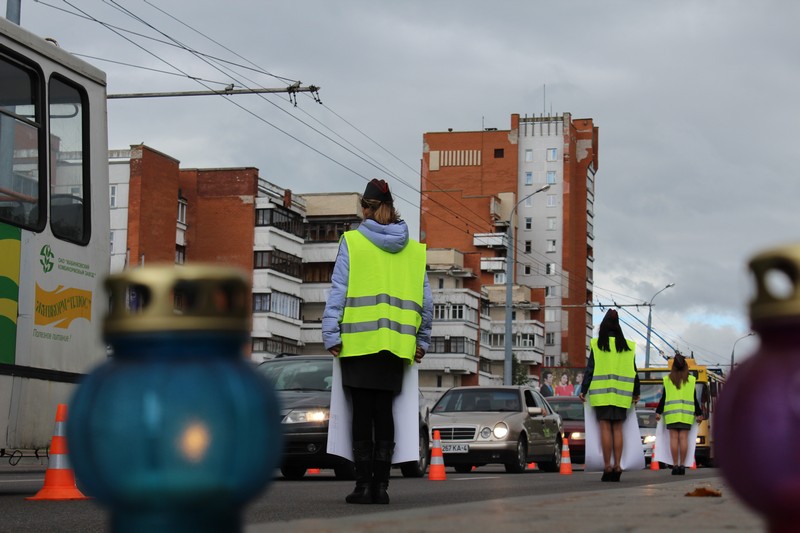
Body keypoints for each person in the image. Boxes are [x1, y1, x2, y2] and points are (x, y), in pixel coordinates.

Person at [322, 178, 432, 505]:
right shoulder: (413, 251)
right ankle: (381, 487)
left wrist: (331, 331)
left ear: (366, 209)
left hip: (357, 342)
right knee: (384, 413)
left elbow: (338, 289)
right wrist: (421, 340)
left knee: (361, 415)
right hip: (396, 347)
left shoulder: (353, 242)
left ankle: (362, 485)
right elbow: (425, 301)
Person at [579, 309, 640, 482]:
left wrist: (583, 390)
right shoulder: (628, 347)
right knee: (618, 429)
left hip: (602, 394)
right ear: (618, 326)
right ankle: (618, 465)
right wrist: (636, 392)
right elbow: (634, 372)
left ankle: (607, 466)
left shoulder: (597, 345)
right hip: (622, 395)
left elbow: (590, 370)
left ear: (603, 326)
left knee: (605, 428)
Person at [655, 353, 703, 475]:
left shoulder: (667, 379)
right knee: (683, 439)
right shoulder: (691, 380)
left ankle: (675, 465)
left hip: (671, 415)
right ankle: (682, 465)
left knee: (674, 439)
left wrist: (658, 412)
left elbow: (664, 398)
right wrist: (699, 413)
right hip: (686, 415)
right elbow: (694, 399)